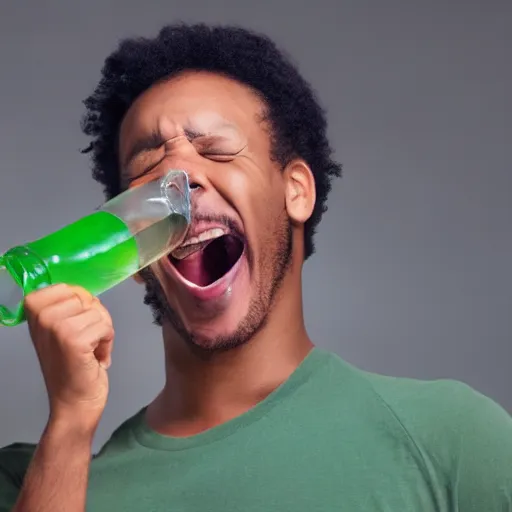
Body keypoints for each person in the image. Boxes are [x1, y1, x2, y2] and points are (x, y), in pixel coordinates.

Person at [0, 23, 511, 512]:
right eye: (149, 170)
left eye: (216, 149)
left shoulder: (451, 441)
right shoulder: (36, 481)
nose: (179, 179)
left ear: (297, 191)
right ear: (132, 256)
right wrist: (68, 426)